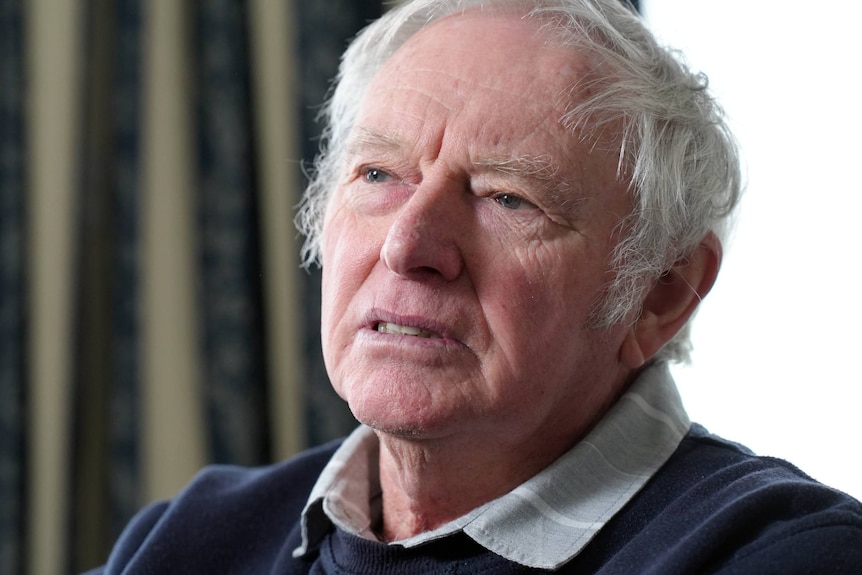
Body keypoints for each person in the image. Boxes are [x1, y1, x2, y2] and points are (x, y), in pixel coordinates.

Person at [88, 0, 862, 573]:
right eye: (378, 175)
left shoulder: (784, 554)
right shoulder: (183, 539)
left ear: (660, 293)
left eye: (508, 198)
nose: (408, 246)